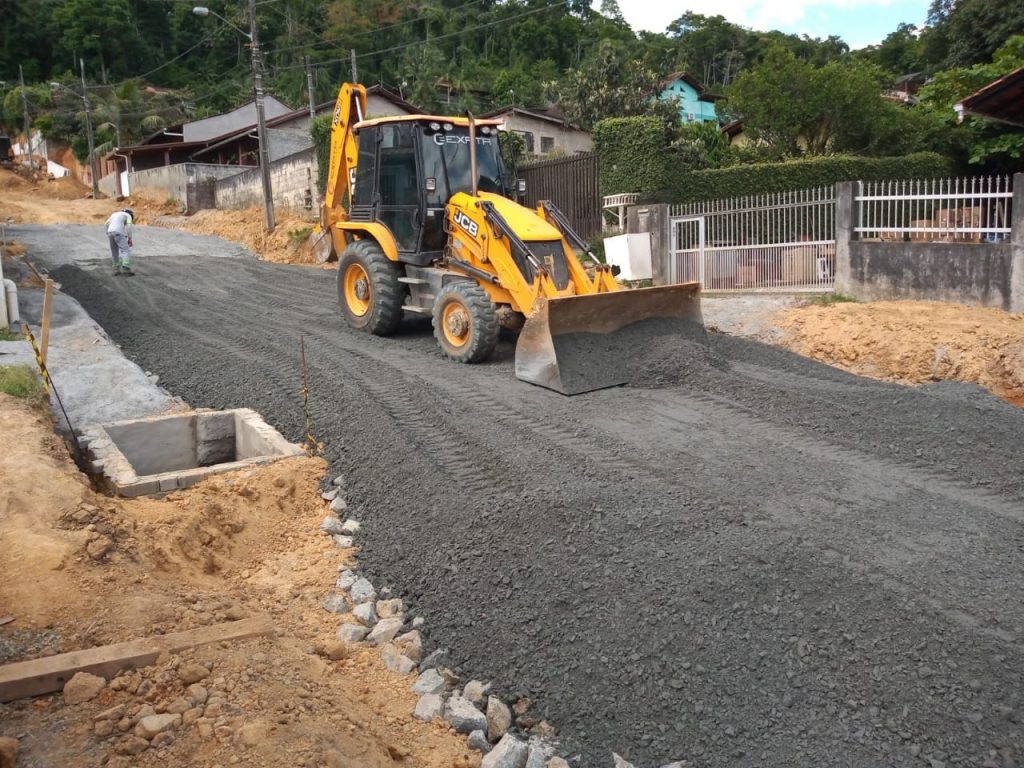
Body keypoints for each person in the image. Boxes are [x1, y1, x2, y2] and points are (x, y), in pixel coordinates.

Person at [105, 207, 135, 276]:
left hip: (110, 232)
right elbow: (129, 226)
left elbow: (106, 224)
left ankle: (116, 269)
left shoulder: (114, 214)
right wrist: (129, 238)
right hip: (118, 232)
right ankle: (126, 267)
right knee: (125, 250)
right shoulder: (128, 215)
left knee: (114, 251)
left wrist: (108, 234)